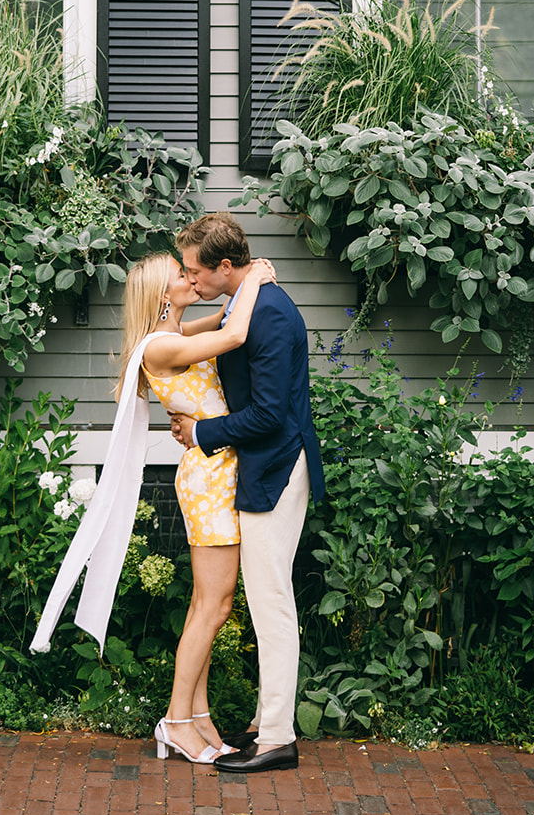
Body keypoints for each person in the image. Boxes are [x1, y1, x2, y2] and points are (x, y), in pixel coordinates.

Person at [30, 248, 274, 766]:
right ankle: (175, 721)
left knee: (206, 606)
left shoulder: (174, 337)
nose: (190, 277)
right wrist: (253, 277)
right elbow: (233, 335)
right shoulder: (159, 347)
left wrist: (241, 290)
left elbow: (225, 320)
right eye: (180, 275)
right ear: (163, 294)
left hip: (216, 469)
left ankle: (199, 716)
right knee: (216, 606)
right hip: (208, 479)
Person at [171, 212, 325, 773]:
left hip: (277, 468)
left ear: (225, 267)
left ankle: (279, 738)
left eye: (195, 271)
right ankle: (267, 720)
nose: (191, 279)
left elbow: (268, 414)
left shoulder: (272, 315)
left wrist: (201, 433)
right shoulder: (244, 303)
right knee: (266, 597)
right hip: (262, 466)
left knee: (270, 600)